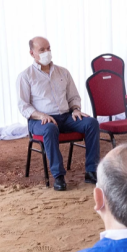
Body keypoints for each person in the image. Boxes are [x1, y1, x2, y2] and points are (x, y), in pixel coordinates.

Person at [17, 37, 100, 192]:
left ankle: (91, 171)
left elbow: (74, 97)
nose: (46, 52)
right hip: (40, 120)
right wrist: (41, 115)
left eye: (48, 48)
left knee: (91, 123)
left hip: (66, 117)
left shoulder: (63, 72)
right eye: (41, 50)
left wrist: (75, 109)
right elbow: (23, 106)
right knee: (49, 129)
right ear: (32, 53)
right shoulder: (26, 76)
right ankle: (59, 176)